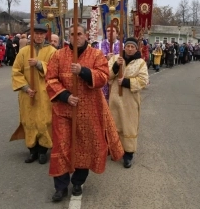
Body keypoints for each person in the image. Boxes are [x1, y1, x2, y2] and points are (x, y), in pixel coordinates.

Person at [45, 24, 124, 202]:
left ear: (86, 35)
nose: (76, 37)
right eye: (72, 34)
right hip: (63, 110)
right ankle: (61, 186)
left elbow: (103, 77)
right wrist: (65, 96)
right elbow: (50, 78)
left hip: (89, 110)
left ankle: (78, 181)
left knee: (85, 146)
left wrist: (83, 71)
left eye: (79, 34)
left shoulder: (96, 55)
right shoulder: (58, 55)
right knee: (62, 146)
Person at [10, 24, 57, 164]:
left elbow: (55, 70)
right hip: (27, 94)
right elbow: (16, 71)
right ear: (33, 34)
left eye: (42, 34)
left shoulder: (52, 51)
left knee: (44, 121)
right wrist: (25, 88)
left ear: (45, 36)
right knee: (29, 121)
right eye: (36, 33)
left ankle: (43, 150)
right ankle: (32, 150)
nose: (39, 36)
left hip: (44, 94)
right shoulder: (24, 51)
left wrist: (39, 64)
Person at [108, 37, 149, 168]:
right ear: (124, 47)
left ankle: (128, 154)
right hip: (115, 98)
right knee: (115, 124)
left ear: (136, 48)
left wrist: (126, 82)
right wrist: (115, 66)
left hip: (130, 100)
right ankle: (115, 149)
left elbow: (143, 81)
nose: (130, 49)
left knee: (129, 125)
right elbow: (106, 75)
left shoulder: (141, 62)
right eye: (128, 46)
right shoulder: (116, 58)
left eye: (132, 47)